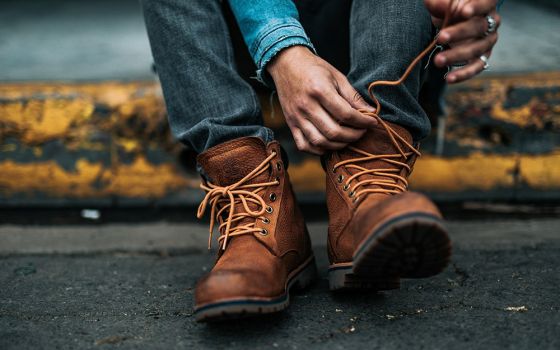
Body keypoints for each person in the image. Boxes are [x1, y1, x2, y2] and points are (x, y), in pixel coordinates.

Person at [141, 0, 501, 322]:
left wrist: (471, 7)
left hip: (388, 35)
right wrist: (282, 48)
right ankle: (257, 212)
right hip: (241, 39)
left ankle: (367, 185)